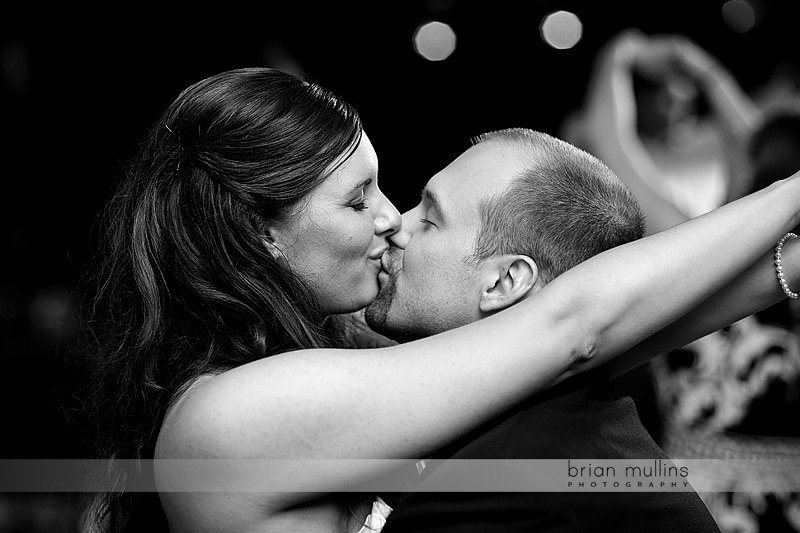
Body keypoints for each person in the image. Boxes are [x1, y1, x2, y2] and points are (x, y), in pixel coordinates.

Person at [78, 67, 800, 533]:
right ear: (259, 233)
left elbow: (622, 326)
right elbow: (574, 325)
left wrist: (790, 265)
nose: (391, 218)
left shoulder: (339, 357)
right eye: (359, 199)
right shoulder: (229, 416)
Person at [363, 127, 800, 532]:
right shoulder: (532, 418)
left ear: (504, 282)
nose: (396, 225)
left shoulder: (506, 479)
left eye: (430, 219)